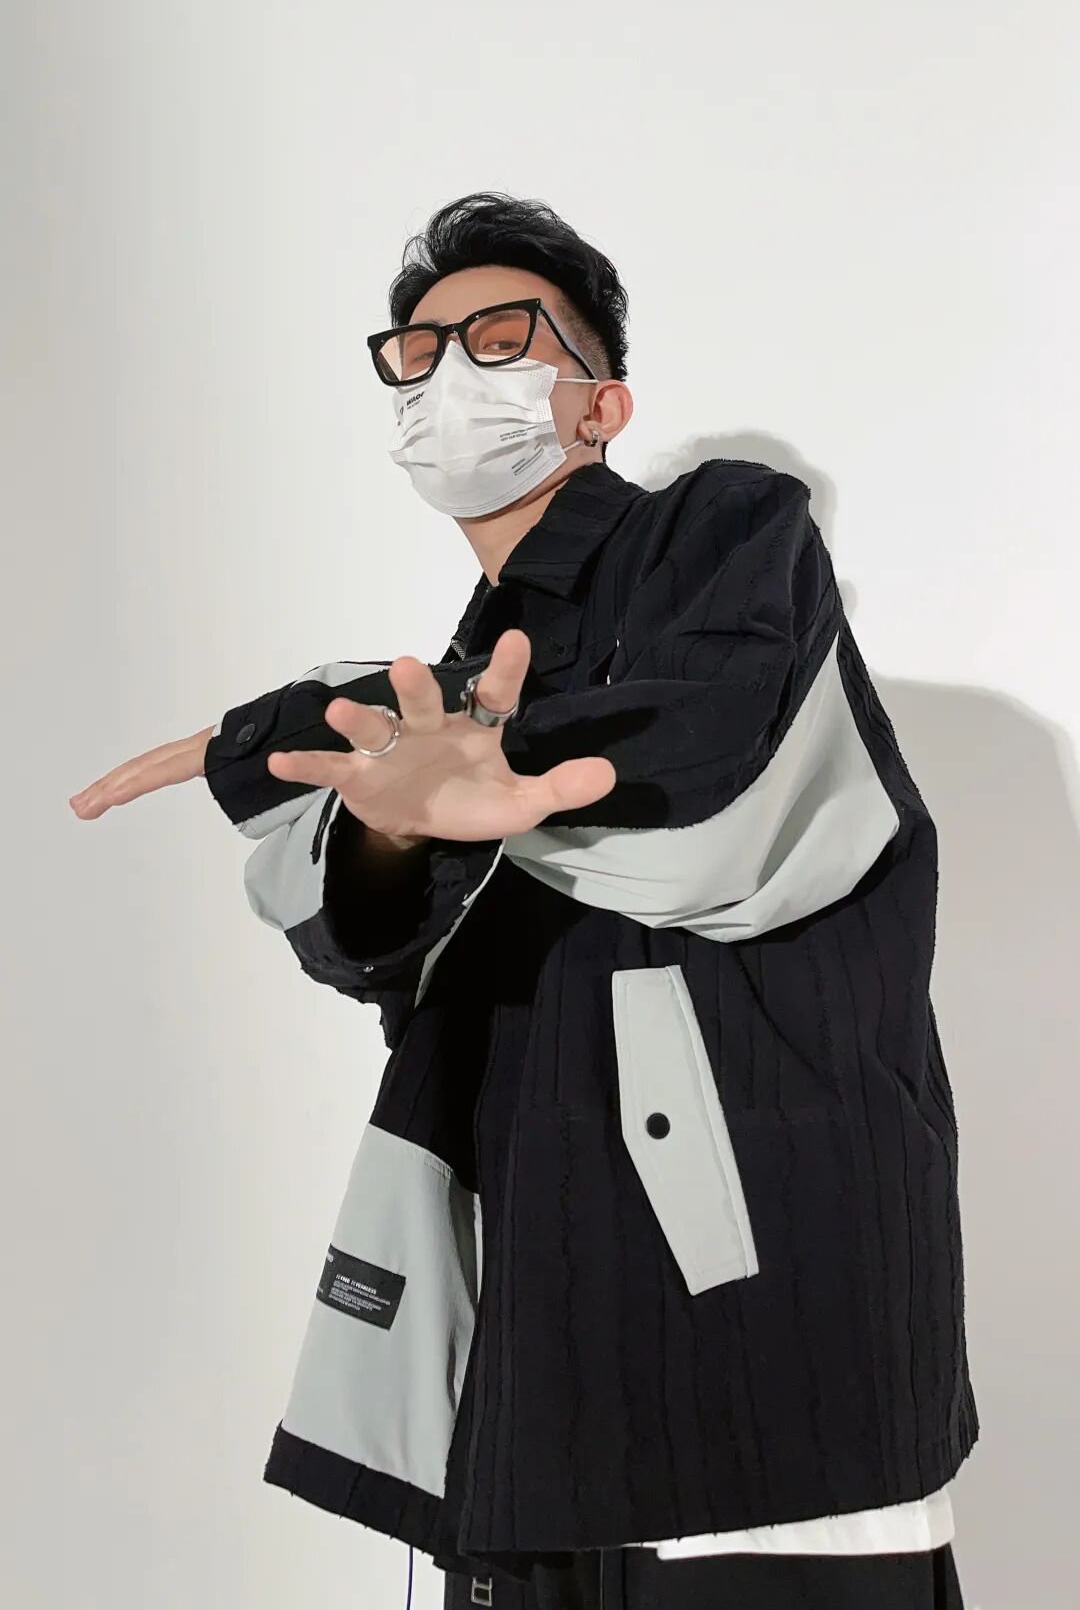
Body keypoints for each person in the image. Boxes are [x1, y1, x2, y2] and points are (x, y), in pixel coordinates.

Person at [70, 193, 977, 1609]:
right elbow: (374, 952)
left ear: (601, 404)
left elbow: (713, 768)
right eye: (415, 353)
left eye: (498, 339)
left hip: (757, 1321)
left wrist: (421, 754)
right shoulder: (461, 679)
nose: (448, 375)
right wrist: (385, 816)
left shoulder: (725, 530)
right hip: (539, 1332)